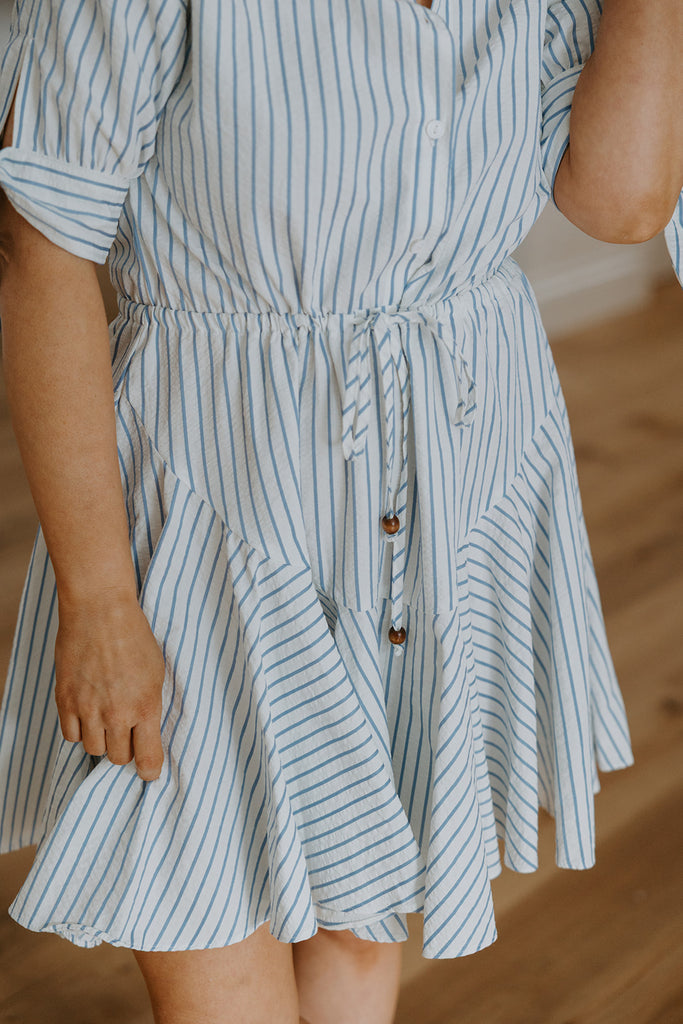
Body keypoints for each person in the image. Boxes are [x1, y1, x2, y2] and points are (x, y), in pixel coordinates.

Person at [0, 0, 680, 1022]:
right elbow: (38, 245)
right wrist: (99, 595)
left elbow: (621, 204)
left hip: (458, 460)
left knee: (364, 924)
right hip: (217, 481)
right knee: (200, 887)